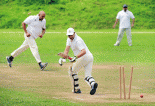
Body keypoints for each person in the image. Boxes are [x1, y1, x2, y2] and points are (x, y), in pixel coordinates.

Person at [61, 28, 98, 95]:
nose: (70, 37)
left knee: (72, 70)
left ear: (74, 33)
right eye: (68, 35)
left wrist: (75, 57)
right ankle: (93, 84)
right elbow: (66, 50)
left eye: (71, 35)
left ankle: (76, 89)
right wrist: (64, 58)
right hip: (89, 57)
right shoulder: (69, 39)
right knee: (87, 76)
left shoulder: (78, 40)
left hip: (84, 57)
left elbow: (83, 51)